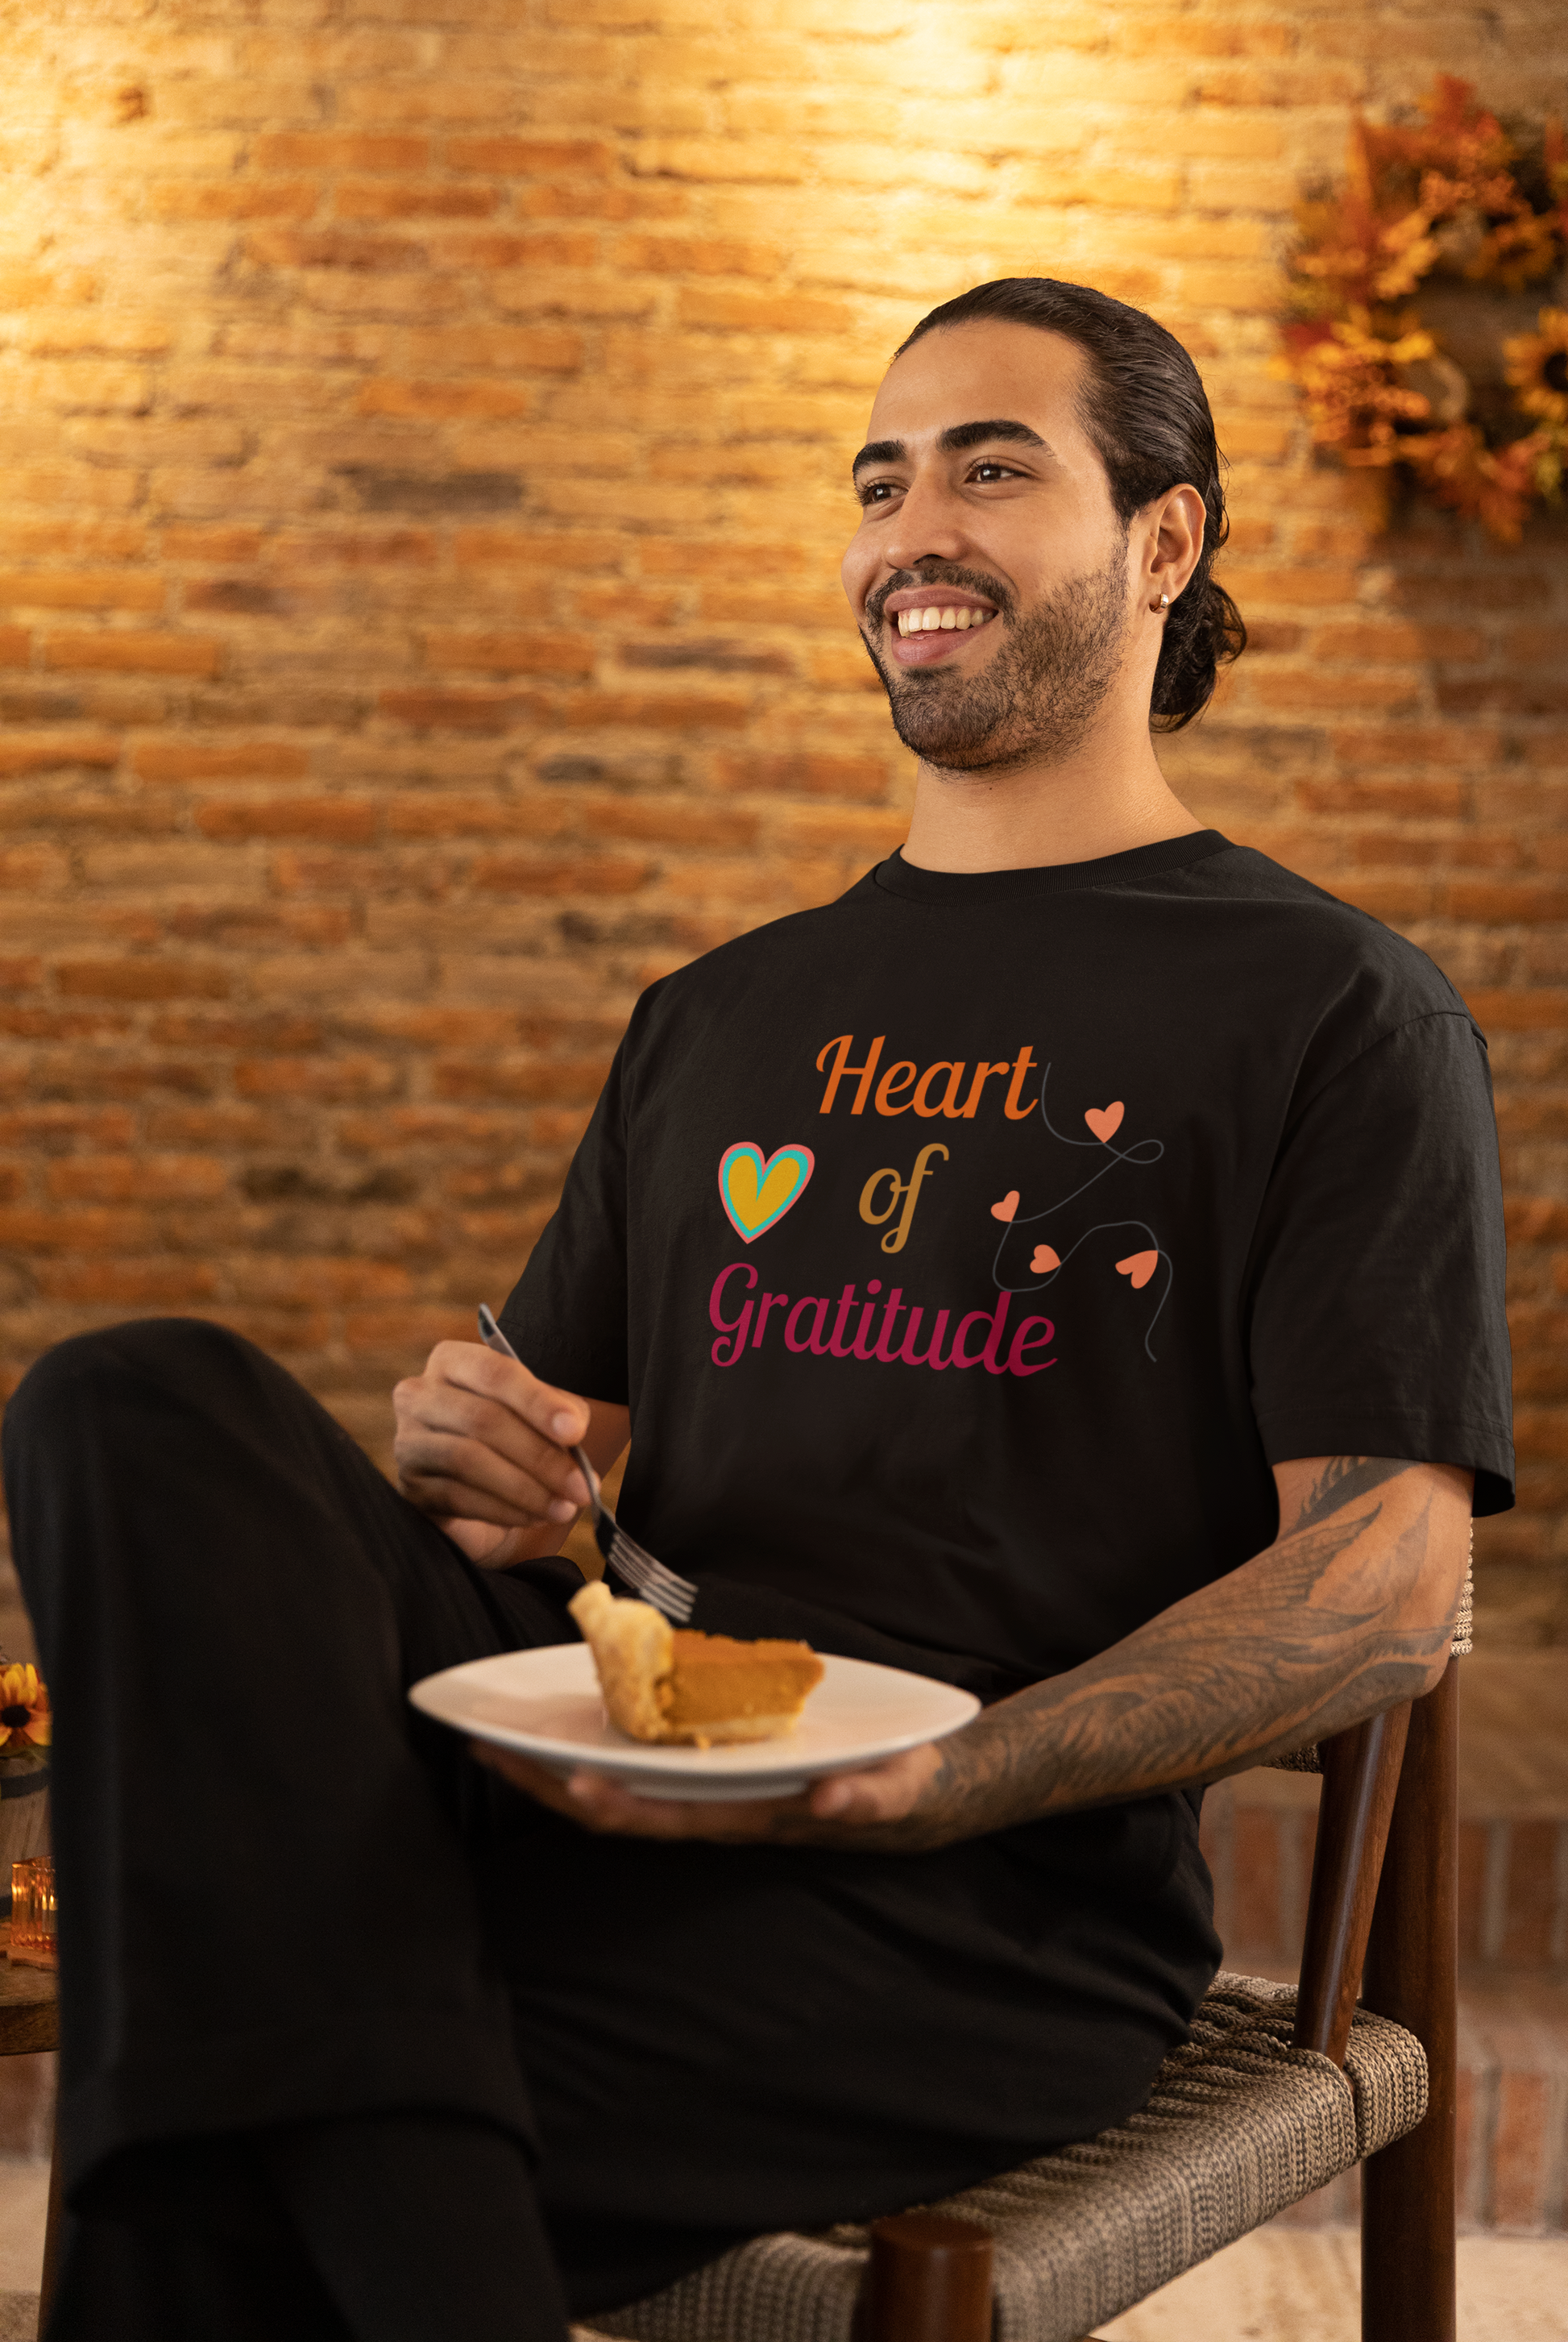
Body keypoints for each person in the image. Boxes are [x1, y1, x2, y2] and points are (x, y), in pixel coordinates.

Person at [3, 276, 1512, 2342]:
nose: (911, 530)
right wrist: (475, 1465)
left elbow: (1379, 1577)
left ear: (1164, 544)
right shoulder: (717, 1015)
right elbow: (535, 1502)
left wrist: (939, 1777)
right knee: (128, 1396)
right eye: (879, 481)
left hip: (968, 1917)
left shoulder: (1334, 1008)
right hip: (604, 1771)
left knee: (217, 2066)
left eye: (994, 467)